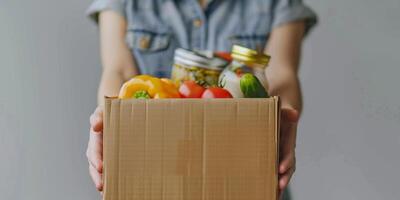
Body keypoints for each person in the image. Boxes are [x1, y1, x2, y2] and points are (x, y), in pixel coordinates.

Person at [85, 0, 316, 199]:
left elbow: (281, 76)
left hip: (241, 172)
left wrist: (282, 118)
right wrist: (109, 120)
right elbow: (119, 71)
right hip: (153, 169)